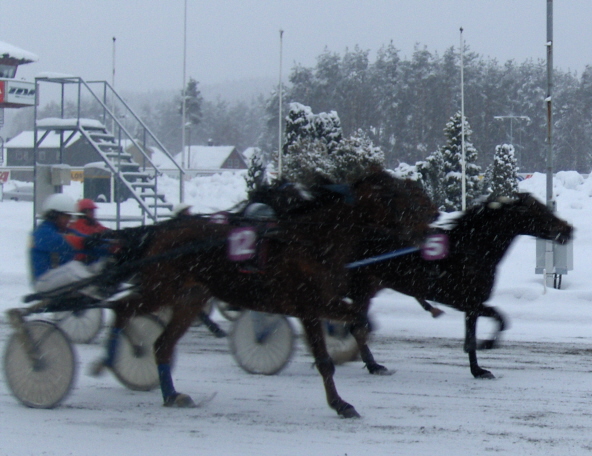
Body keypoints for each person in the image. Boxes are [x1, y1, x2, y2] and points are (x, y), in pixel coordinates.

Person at [30, 193, 109, 297]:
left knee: (97, 266)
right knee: (74, 268)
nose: (69, 220)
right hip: (43, 281)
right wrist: (86, 242)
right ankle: (97, 292)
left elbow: (86, 241)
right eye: (66, 216)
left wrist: (109, 246)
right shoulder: (42, 233)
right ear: (54, 215)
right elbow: (64, 243)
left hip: (59, 277)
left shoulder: (64, 230)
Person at [69, 198, 110, 263]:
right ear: (83, 212)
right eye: (91, 211)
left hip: (94, 258)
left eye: (93, 211)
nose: (93, 213)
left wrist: (112, 233)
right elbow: (88, 238)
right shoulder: (78, 225)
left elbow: (103, 229)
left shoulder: (93, 223)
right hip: (84, 261)